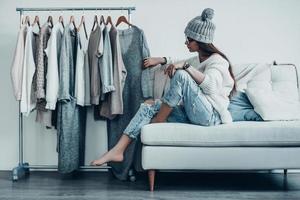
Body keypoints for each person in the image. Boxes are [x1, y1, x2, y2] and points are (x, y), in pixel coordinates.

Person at [91, 8, 236, 166]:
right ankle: (118, 150)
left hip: (211, 116)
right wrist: (162, 59)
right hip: (194, 112)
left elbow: (210, 86)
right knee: (148, 105)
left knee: (181, 75)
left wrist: (185, 66)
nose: (185, 43)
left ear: (199, 41)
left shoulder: (218, 61)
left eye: (189, 40)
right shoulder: (197, 59)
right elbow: (177, 60)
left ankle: (159, 121)